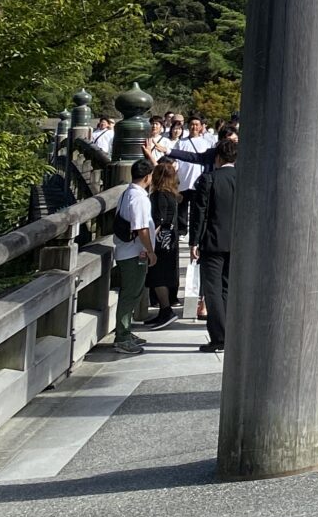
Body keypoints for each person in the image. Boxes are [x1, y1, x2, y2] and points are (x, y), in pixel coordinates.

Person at [188, 134, 240, 353]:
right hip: (236, 239)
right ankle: (230, 331)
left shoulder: (209, 179)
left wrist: (194, 241)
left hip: (212, 239)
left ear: (218, 157)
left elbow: (200, 213)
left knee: (212, 288)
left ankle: (219, 336)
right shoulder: (242, 178)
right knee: (227, 287)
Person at [101, 155, 155, 355]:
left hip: (127, 249)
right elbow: (141, 228)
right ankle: (122, 336)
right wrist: (151, 251)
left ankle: (126, 330)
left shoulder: (127, 193)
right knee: (130, 293)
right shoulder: (139, 197)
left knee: (133, 292)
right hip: (134, 251)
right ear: (148, 177)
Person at [143, 156, 183, 328]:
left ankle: (166, 310)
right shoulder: (172, 195)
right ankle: (163, 311)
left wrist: (148, 244)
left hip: (161, 242)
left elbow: (158, 221)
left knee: (158, 277)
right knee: (164, 276)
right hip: (170, 241)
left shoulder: (159, 195)